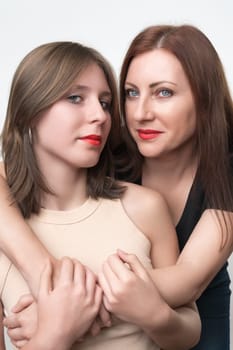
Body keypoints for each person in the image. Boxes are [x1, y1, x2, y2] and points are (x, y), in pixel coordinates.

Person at [0, 41, 200, 350]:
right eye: (76, 98)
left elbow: (189, 331)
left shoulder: (144, 206)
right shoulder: (6, 228)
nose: (100, 115)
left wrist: (153, 314)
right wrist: (55, 334)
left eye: (105, 102)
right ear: (29, 110)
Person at [116, 24, 233, 349]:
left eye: (163, 92)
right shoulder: (108, 155)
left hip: (200, 331)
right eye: (131, 92)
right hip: (121, 332)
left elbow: (186, 283)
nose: (141, 113)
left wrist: (76, 296)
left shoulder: (227, 166)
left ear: (204, 98)